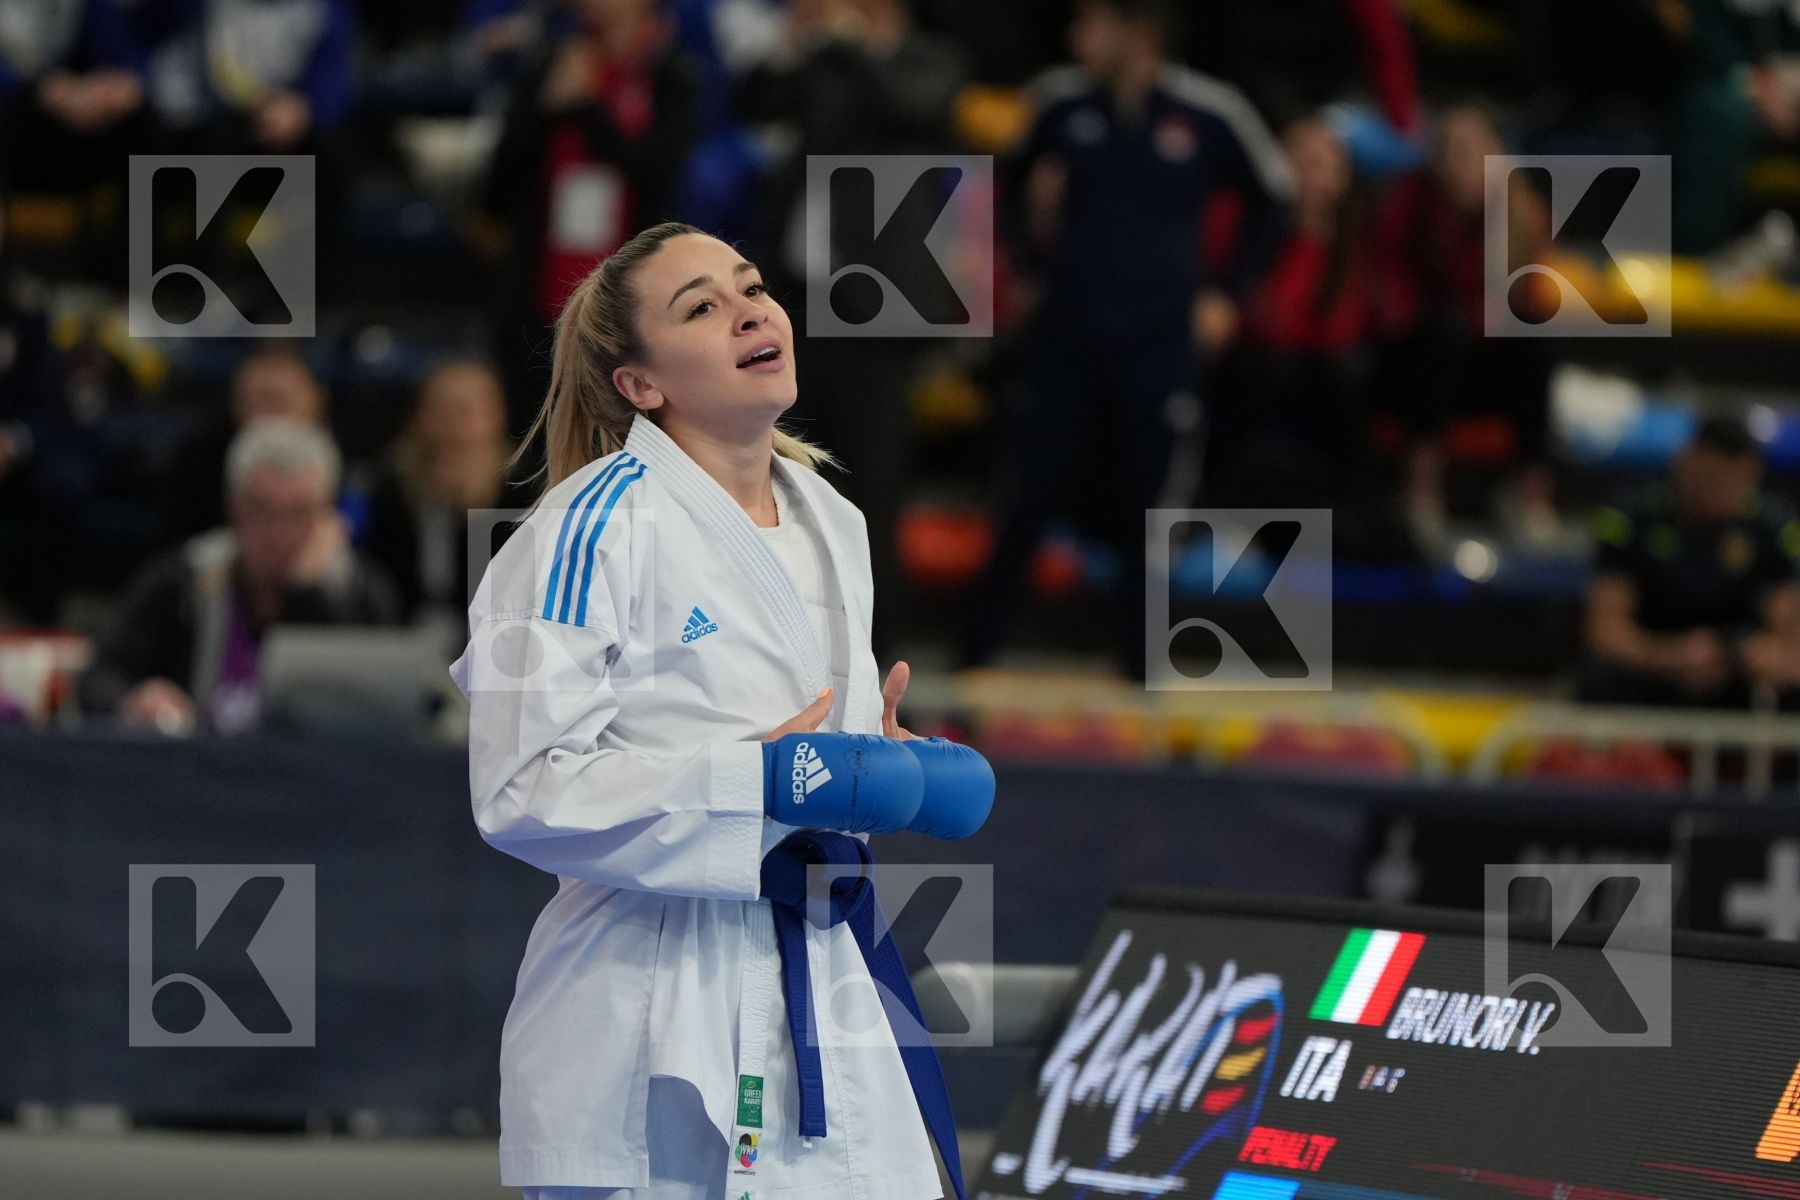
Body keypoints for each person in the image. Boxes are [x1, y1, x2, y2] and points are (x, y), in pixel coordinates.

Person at [449, 221, 994, 1199]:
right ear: (640, 384)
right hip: (651, 1000)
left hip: (826, 979)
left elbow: (820, 755)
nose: (749, 310)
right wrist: (761, 780)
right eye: (700, 307)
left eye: (751, 287)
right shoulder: (586, 528)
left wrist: (887, 767)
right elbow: (521, 788)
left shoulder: (835, 517)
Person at [958, 0, 1291, 678]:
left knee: (1150, 505)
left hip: (1161, 341)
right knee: (1030, 491)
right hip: (1069, 334)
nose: (1077, 37)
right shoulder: (1061, 101)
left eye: (1093, 24)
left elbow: (1276, 199)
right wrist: (1026, 266)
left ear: (1137, 35)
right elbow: (1007, 179)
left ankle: (1141, 671)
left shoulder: (1209, 110)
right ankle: (974, 655)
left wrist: (1228, 292)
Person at [79, 419, 400, 735]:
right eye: (263, 510)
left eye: (300, 513)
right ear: (233, 508)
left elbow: (371, 709)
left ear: (328, 516)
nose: (281, 534)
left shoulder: (360, 592)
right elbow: (100, 679)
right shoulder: (183, 581)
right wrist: (138, 699)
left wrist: (310, 595)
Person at [478, 0, 701, 434]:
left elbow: (661, 174)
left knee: (619, 438)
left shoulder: (673, 72)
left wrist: (587, 110)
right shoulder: (552, 62)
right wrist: (545, 109)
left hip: (631, 303)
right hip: (538, 294)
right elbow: (496, 190)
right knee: (532, 436)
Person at [1581, 415, 1800, 708]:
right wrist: (1671, 656)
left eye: (1738, 480)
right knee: (1600, 681)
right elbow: (1604, 632)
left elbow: (1787, 628)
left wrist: (1768, 654)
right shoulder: (1631, 519)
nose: (1726, 491)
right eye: (1715, 478)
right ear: (1686, 463)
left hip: (1736, 676)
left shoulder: (1772, 528)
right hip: (1652, 669)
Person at [359, 358, 531, 624]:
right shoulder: (387, 494)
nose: (451, 427)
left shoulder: (526, 496)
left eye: (464, 411)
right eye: (438, 411)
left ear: (496, 418)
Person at [159, 343, 330, 546]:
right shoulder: (195, 466)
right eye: (256, 400)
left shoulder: (349, 465)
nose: (270, 419)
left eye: (279, 400)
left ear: (316, 402)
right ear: (235, 407)